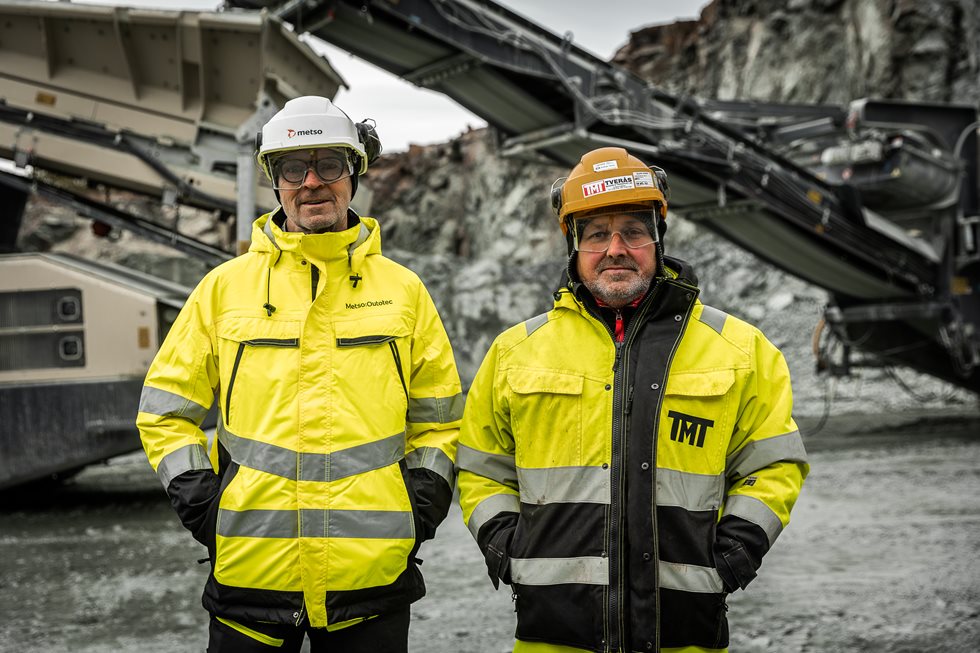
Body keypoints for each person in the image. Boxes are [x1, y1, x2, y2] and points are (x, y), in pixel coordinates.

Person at [136, 96, 462, 652]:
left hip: (371, 578)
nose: (312, 182)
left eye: (329, 165)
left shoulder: (404, 292)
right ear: (275, 180)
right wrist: (204, 507)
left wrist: (418, 507)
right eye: (293, 168)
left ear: (353, 174)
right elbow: (167, 412)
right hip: (252, 574)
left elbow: (440, 421)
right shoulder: (224, 289)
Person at [456, 146, 809, 653]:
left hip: (684, 632)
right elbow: (481, 466)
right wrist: (505, 547)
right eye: (597, 233)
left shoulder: (739, 349)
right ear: (573, 244)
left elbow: (774, 464)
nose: (616, 247)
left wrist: (734, 554)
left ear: (658, 238)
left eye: (634, 231)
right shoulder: (515, 352)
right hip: (553, 634)